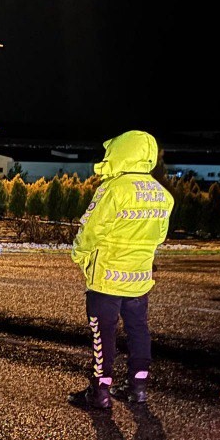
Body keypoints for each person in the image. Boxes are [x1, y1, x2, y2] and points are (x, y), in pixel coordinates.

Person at [68, 130, 174, 410]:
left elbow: (92, 230)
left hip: (106, 279)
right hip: (139, 279)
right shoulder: (162, 195)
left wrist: (79, 254)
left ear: (123, 152)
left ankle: (100, 391)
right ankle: (138, 387)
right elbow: (160, 236)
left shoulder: (113, 189)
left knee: (104, 335)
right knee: (139, 330)